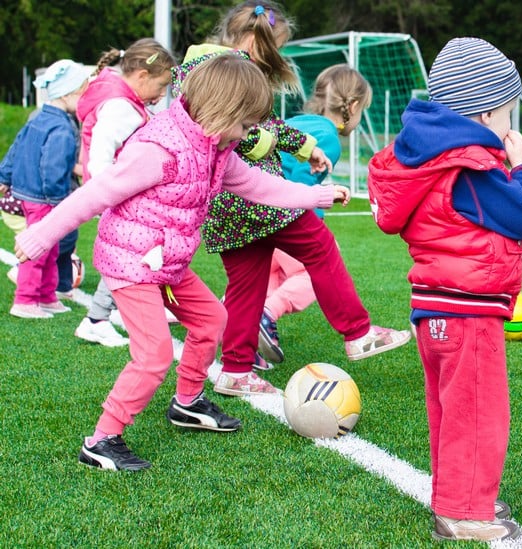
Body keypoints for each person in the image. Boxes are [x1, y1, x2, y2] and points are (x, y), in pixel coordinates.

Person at [13, 54, 351, 471]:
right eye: (246, 125)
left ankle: (187, 403)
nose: (249, 135)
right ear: (222, 111)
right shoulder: (158, 149)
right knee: (154, 354)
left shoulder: (216, 147)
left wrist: (316, 195)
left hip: (167, 263)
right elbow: (96, 193)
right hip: (131, 263)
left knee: (213, 320)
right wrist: (40, 235)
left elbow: (257, 185)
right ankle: (101, 440)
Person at [172, 1, 410, 394]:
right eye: (274, 47)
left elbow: (265, 123)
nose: (275, 57)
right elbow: (236, 131)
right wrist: (271, 146)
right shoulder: (225, 70)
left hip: (224, 205)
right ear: (253, 40)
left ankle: (234, 370)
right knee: (319, 247)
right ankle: (358, 332)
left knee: (247, 283)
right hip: (254, 196)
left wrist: (305, 148)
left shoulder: (202, 66)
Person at [367, 37, 522, 542]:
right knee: (477, 414)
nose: (512, 126)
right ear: (486, 112)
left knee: (451, 412)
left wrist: (510, 261)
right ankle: (464, 512)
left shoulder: (432, 160)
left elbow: (458, 230)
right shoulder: (470, 165)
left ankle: (458, 495)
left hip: (437, 308)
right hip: (467, 316)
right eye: (510, 113)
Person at [256, 64, 373, 366]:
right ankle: (267, 315)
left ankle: (240, 324)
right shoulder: (329, 139)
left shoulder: (296, 122)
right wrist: (315, 216)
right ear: (354, 106)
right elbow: (300, 184)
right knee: (313, 272)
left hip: (255, 212)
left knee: (268, 275)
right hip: (284, 215)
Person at [73, 38, 176, 347]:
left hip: (119, 194)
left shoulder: (123, 100)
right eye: (160, 86)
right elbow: (101, 155)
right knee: (130, 255)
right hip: (119, 196)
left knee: (137, 252)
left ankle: (106, 314)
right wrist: (111, 193)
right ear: (142, 76)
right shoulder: (121, 108)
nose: (161, 97)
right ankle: (96, 318)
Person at [1, 59, 90, 319]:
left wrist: (4, 175)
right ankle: (25, 300)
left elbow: (15, 147)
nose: (84, 100)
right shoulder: (62, 127)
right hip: (45, 198)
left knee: (51, 248)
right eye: (83, 93)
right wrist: (58, 201)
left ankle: (46, 296)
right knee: (39, 250)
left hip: (33, 194)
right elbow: (53, 166)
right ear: (69, 94)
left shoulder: (39, 118)